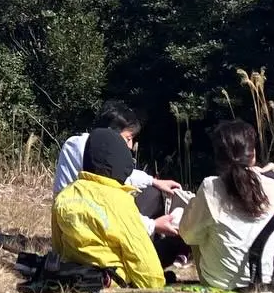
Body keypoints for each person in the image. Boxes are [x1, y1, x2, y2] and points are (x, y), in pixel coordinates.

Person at [177, 119, 274, 293]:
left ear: (218, 157)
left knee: (198, 228)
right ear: (253, 154)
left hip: (220, 283)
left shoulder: (210, 187)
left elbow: (188, 235)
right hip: (268, 283)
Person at [54, 101, 183, 248]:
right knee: (152, 198)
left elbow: (128, 176)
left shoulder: (77, 143)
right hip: (89, 229)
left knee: (152, 191)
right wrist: (153, 225)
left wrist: (153, 181)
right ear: (111, 133)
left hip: (66, 219)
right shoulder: (99, 159)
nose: (130, 146)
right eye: (128, 138)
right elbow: (110, 208)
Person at [51, 127, 165, 289]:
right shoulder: (121, 202)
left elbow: (57, 246)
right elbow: (138, 251)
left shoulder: (65, 195)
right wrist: (155, 283)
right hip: (112, 278)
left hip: (73, 270)